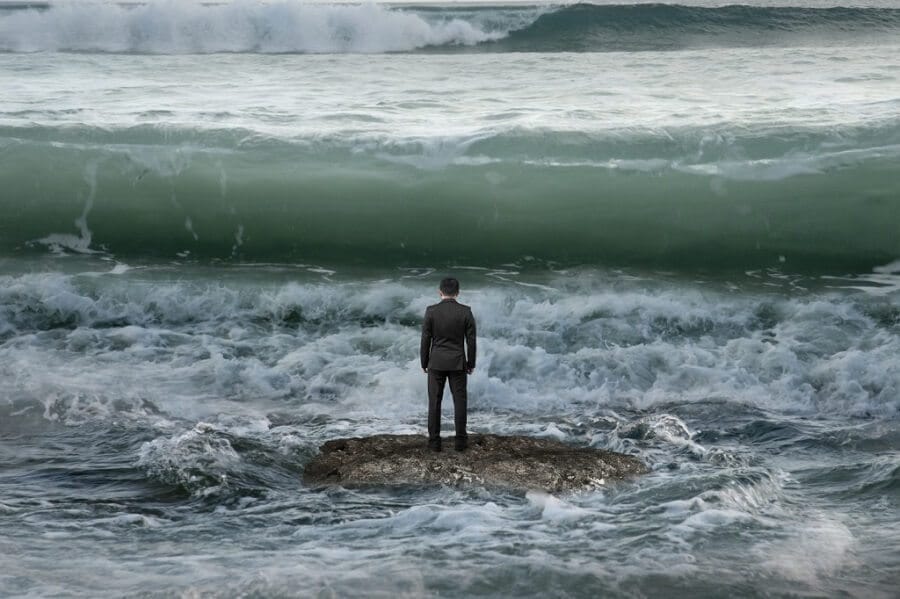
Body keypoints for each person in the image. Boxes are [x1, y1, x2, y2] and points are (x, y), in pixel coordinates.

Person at [420, 277, 476, 452]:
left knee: (434, 403)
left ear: (440, 291)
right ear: (458, 293)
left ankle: (434, 443)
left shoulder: (431, 311)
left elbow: (425, 339)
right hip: (458, 363)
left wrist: (424, 361)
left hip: (435, 362)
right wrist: (471, 363)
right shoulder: (465, 312)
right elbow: (471, 341)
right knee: (460, 402)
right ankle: (461, 442)